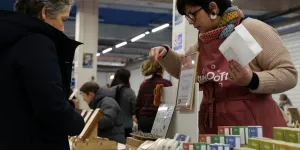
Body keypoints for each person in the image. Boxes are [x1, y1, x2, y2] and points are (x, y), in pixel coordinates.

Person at [148, 0, 298, 137]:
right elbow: (185, 70)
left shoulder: (252, 29)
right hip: (214, 129)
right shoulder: (203, 41)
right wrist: (166, 54)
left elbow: (288, 74)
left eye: (192, 15)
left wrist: (252, 79)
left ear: (213, 8)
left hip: (254, 130)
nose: (191, 23)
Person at [0, 0, 85, 150]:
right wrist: (78, 122)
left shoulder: (9, 40)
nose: (62, 28)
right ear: (44, 12)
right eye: (62, 19)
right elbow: (51, 106)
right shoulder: (36, 43)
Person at [136, 60, 172, 132]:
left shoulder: (144, 84)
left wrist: (139, 118)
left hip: (144, 120)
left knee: (143, 143)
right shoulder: (166, 84)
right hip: (159, 120)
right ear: (162, 69)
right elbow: (170, 105)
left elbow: (137, 105)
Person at [110, 68, 136, 138]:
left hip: (111, 126)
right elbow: (134, 110)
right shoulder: (130, 92)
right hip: (126, 127)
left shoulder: (109, 91)